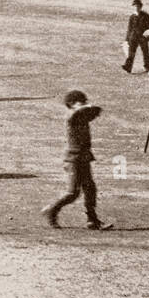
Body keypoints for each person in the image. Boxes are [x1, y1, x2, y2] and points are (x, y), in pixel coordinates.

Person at [41, 91, 113, 231]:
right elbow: (78, 113)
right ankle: (51, 210)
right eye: (80, 101)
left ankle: (92, 220)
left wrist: (84, 106)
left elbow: (96, 110)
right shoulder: (71, 116)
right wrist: (81, 107)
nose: (84, 103)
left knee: (90, 188)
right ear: (71, 104)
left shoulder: (82, 116)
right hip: (73, 159)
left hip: (83, 157)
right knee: (72, 192)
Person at [123, 0, 149, 73]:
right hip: (133, 37)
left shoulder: (145, 15)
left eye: (137, 6)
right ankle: (128, 67)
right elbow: (129, 28)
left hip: (143, 37)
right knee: (131, 53)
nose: (136, 8)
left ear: (141, 7)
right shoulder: (132, 16)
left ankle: (148, 67)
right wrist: (127, 39)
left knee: (145, 53)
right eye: (134, 6)